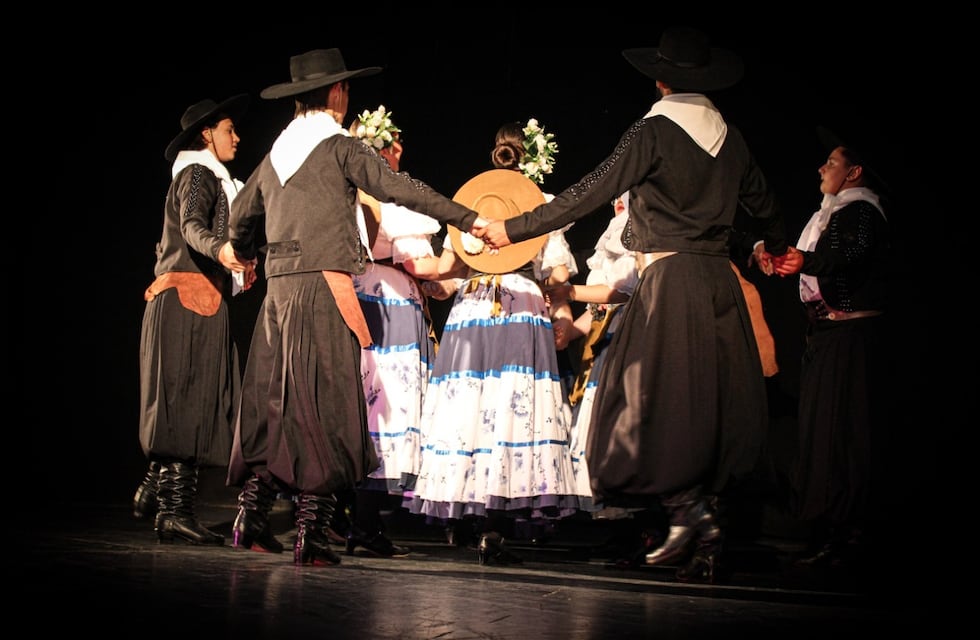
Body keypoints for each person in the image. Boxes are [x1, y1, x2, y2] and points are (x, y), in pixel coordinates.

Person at [476, 26, 798, 583]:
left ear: (660, 78)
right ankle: (704, 532)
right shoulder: (732, 136)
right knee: (708, 409)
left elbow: (590, 191)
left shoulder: (653, 130)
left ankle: (688, 513)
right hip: (717, 286)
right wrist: (774, 243)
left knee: (640, 407)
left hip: (670, 282)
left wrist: (513, 228)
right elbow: (766, 204)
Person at [218, 48, 487, 566]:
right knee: (329, 408)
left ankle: (251, 516)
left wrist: (248, 254)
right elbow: (398, 187)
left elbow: (239, 220)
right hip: (324, 290)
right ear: (337, 93)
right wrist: (466, 217)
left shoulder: (276, 153)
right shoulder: (339, 146)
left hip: (278, 295)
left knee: (275, 406)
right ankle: (311, 536)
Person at [408, 119, 581, 565]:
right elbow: (555, 273)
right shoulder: (540, 204)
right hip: (520, 307)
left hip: (473, 309)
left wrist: (426, 277)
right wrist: (559, 306)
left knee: (470, 409)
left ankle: (466, 517)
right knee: (509, 411)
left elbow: (450, 268)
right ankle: (494, 528)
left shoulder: (475, 202)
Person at [340, 105, 469, 557]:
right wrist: (464, 262)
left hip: (367, 296)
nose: (400, 149)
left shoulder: (354, 192)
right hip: (387, 304)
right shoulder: (388, 197)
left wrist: (444, 279)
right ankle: (363, 523)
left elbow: (431, 279)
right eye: (393, 142)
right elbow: (421, 266)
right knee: (385, 410)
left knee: (367, 407)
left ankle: (351, 519)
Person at [135, 94, 255, 545]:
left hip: (196, 299)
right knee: (186, 402)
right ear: (207, 134)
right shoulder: (199, 173)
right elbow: (191, 225)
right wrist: (220, 248)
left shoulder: (211, 177)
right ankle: (172, 510)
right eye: (229, 129)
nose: (237, 137)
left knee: (193, 400)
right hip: (187, 299)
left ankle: (156, 485)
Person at [772, 126, 891, 571]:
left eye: (833, 162)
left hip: (851, 338)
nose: (823, 168)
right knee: (824, 434)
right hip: (828, 336)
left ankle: (850, 535)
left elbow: (851, 255)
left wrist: (808, 261)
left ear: (854, 172)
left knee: (844, 435)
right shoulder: (834, 212)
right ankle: (831, 531)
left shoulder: (861, 211)